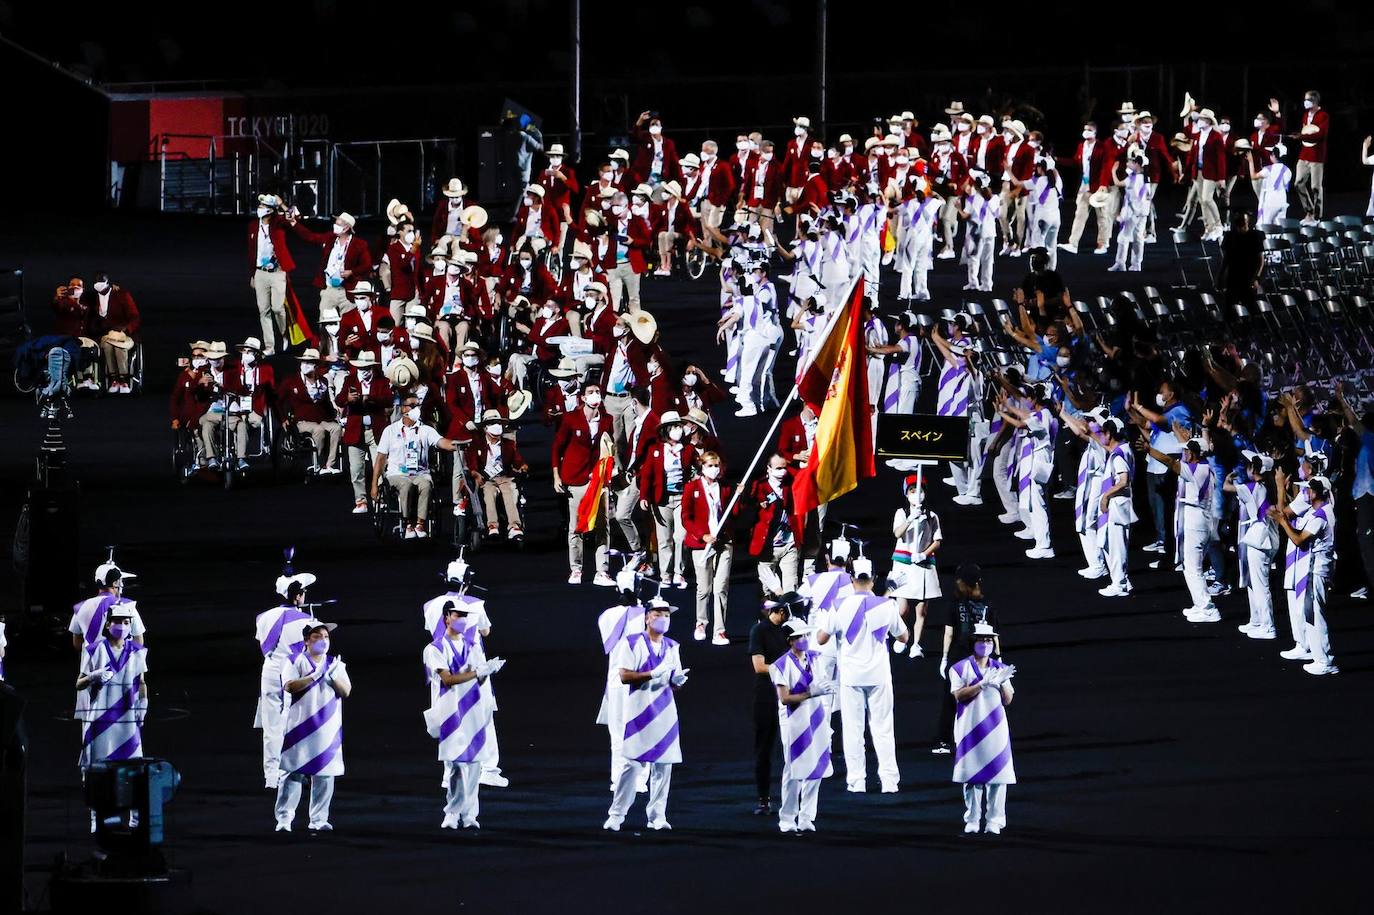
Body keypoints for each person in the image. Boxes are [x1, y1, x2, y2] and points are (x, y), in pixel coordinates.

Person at [816, 559, 906, 793]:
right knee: (883, 729)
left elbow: (821, 639)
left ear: (852, 579)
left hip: (851, 676)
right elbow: (904, 637)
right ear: (874, 579)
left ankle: (856, 781)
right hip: (879, 675)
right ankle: (889, 781)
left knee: (853, 730)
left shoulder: (838, 605)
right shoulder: (886, 605)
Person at [604, 597, 688, 831]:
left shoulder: (673, 646)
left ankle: (657, 816)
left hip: (665, 712)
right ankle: (617, 814)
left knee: (664, 766)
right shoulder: (631, 643)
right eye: (658, 614)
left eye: (667, 615)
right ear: (646, 617)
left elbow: (674, 682)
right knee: (631, 766)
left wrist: (677, 681)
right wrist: (652, 673)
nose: (663, 619)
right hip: (639, 712)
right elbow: (624, 675)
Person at [423, 602, 506, 829]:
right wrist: (476, 672)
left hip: (474, 709)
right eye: (458, 615)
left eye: (465, 616)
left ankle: (470, 815)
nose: (463, 620)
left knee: (475, 766)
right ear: (447, 617)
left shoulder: (472, 645)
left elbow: (478, 678)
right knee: (456, 765)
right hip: (451, 711)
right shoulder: (435, 648)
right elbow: (448, 679)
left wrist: (487, 671)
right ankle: (452, 812)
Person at [274, 620, 351, 832]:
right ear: (307, 640)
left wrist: (334, 677)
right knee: (292, 773)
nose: (323, 641)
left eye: (326, 637)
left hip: (328, 726)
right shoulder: (294, 660)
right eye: (317, 636)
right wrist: (315, 676)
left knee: (325, 775)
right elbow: (289, 686)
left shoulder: (336, 664)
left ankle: (318, 819)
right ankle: (284, 819)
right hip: (300, 726)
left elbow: (346, 691)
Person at [1141, 433, 1218, 621]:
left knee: (1193, 567)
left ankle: (1208, 608)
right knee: (1191, 566)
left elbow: (1169, 461)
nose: (1183, 453)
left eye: (1186, 451)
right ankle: (1199, 604)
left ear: (1193, 454)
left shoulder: (1195, 469)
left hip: (1196, 520)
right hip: (1199, 519)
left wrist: (1150, 450)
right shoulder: (1206, 467)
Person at [949, 622, 1016, 834]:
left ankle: (995, 820)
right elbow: (959, 695)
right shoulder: (959, 668)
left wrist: (1003, 683)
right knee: (971, 776)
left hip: (995, 726)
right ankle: (972, 819)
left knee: (998, 775)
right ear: (973, 642)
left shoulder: (1001, 668)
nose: (985, 644)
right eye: (981, 640)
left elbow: (1008, 700)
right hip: (970, 725)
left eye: (988, 640)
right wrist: (981, 685)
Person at [771, 616, 836, 833]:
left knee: (816, 765)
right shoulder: (780, 665)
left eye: (806, 635)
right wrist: (810, 693)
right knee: (794, 768)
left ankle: (807, 816)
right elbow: (785, 698)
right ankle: (787, 817)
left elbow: (824, 682)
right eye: (800, 637)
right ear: (790, 640)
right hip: (793, 720)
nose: (805, 639)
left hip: (816, 717)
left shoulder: (815, 658)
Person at [254, 565, 316, 789]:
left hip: (269, 670)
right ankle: (294, 770)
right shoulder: (304, 620)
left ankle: (271, 776)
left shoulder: (263, 617)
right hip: (292, 670)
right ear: (298, 596)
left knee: (271, 726)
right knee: (295, 721)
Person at [1271, 472, 1339, 675]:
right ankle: (1319, 656)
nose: (1305, 492)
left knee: (1316, 614)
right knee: (1311, 613)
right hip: (1312, 567)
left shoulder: (1322, 515)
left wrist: (1283, 522)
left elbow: (1299, 539)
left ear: (1318, 492)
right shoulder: (1318, 511)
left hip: (1316, 568)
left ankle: (1325, 660)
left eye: (1308, 489)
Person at [371, 391, 462, 539]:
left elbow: (441, 442)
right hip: (397, 474)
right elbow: (380, 458)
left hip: (420, 473)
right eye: (412, 405)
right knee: (405, 485)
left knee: (426, 484)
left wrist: (456, 444)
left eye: (418, 405)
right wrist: (374, 484)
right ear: (403, 409)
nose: (416, 409)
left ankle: (420, 524)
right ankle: (407, 524)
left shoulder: (425, 430)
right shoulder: (390, 431)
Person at [933, 563, 1001, 755]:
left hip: (959, 656)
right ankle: (985, 737)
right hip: (983, 657)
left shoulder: (955, 604)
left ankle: (944, 741)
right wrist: (998, 655)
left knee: (951, 699)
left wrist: (944, 658)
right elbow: (995, 634)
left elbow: (949, 633)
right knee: (985, 697)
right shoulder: (988, 604)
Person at [553, 379, 615, 586]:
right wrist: (556, 476)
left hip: (598, 481)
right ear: (583, 397)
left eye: (598, 391)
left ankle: (602, 571)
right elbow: (557, 448)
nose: (595, 395)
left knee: (602, 526)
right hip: (576, 479)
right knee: (577, 527)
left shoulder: (607, 420)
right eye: (591, 392)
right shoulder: (571, 419)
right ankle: (576, 569)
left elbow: (609, 449)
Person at [76, 604, 148, 781]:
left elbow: (141, 682)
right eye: (117, 621)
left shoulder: (138, 652)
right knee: (98, 769)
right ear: (107, 624)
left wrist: (143, 706)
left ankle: (134, 808)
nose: (122, 626)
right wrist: (93, 676)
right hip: (100, 717)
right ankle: (95, 807)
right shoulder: (93, 650)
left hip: (127, 718)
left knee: (132, 768)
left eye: (125, 622)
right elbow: (79, 684)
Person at [597, 568, 649, 792]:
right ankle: (637, 780)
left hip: (617, 681)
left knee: (618, 733)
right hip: (636, 680)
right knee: (640, 730)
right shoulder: (643, 614)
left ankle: (618, 778)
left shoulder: (606, 615)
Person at [748, 593, 796, 816]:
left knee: (793, 748)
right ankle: (764, 800)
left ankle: (793, 799)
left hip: (788, 694)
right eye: (782, 611)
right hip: (766, 696)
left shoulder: (788, 631)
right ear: (775, 611)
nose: (785, 614)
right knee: (764, 749)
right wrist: (785, 669)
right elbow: (759, 666)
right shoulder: (759, 631)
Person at [681, 450, 735, 645]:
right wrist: (702, 535)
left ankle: (720, 630)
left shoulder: (726, 487)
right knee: (704, 588)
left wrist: (738, 496)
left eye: (716, 465)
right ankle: (701, 623)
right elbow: (686, 517)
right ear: (702, 467)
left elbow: (734, 514)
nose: (714, 469)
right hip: (701, 546)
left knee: (721, 588)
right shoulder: (691, 488)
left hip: (724, 543)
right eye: (710, 466)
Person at [638, 411, 695, 589]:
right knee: (664, 539)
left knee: (681, 536)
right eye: (674, 427)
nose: (678, 430)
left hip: (681, 498)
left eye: (679, 426)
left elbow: (696, 469)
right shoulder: (655, 450)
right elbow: (647, 475)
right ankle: (666, 574)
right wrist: (644, 497)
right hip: (662, 499)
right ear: (665, 430)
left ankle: (679, 573)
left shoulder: (688, 450)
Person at [888, 474, 942, 659]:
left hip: (923, 564)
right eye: (912, 490)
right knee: (902, 609)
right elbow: (897, 533)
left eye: (919, 490)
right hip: (903, 564)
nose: (916, 494)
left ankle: (916, 645)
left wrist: (923, 554)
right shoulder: (901, 513)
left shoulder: (932, 515)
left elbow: (937, 541)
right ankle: (902, 637)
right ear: (906, 493)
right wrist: (911, 518)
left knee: (922, 610)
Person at [1229, 450, 1279, 640]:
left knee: (1260, 584)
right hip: (1265, 537)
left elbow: (1226, 487)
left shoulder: (1253, 487)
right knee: (1254, 582)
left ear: (1255, 469)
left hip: (1260, 539)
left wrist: (1229, 478)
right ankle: (1256, 619)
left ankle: (1268, 626)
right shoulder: (1270, 486)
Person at [289, 211, 372, 321]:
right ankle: (325, 338)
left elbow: (367, 265)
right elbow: (311, 237)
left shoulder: (359, 244)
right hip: (329, 289)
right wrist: (295, 224)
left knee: (348, 322)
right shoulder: (330, 238)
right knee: (325, 321)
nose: (335, 226)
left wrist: (351, 272)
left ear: (347, 228)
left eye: (338, 224)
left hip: (346, 290)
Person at [337, 351, 393, 514]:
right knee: (356, 469)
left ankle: (380, 498)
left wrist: (371, 398)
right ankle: (360, 501)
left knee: (380, 467)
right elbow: (339, 400)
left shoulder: (382, 381)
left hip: (375, 431)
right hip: (356, 430)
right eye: (362, 367)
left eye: (367, 367)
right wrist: (348, 399)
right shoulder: (350, 380)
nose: (364, 371)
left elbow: (388, 400)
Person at [748, 454, 806, 599]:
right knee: (766, 589)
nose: (782, 472)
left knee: (790, 587)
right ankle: (766, 618)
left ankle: (790, 617)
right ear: (769, 469)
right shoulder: (759, 486)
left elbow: (801, 478)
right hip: (767, 545)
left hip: (789, 543)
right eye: (778, 468)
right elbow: (749, 508)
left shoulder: (790, 483)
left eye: (784, 468)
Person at [275, 348, 342, 474]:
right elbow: (278, 400)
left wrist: (335, 414)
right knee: (319, 430)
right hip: (301, 421)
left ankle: (329, 464)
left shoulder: (323, 381)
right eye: (304, 362)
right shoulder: (291, 381)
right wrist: (283, 419)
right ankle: (318, 464)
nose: (305, 365)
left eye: (309, 362)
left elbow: (327, 403)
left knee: (336, 428)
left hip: (320, 419)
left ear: (316, 365)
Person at [467, 409, 528, 539]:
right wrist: (475, 474)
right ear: (485, 428)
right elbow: (472, 464)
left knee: (510, 492)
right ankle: (492, 525)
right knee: (489, 493)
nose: (497, 426)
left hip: (504, 477)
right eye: (493, 423)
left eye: (498, 423)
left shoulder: (508, 444)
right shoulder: (477, 444)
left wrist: (523, 465)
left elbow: (517, 460)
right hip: (486, 479)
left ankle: (514, 526)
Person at [248, 194, 295, 353]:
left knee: (277, 308)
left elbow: (295, 218)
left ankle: (284, 334)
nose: (259, 208)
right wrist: (252, 274)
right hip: (260, 272)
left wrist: (282, 204)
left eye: (263, 206)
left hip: (277, 272)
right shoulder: (253, 226)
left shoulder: (279, 223)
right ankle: (270, 346)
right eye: (259, 205)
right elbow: (251, 251)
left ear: (270, 210)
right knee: (264, 310)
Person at [69, 555, 145, 651]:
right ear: (115, 583)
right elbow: (139, 641)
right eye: (120, 581)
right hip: (121, 665)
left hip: (91, 665)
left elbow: (77, 644)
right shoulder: (128, 606)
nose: (122, 584)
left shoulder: (80, 608)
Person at [1293, 90, 1329, 225]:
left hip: (1317, 156)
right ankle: (1309, 210)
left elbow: (1320, 135)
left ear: (1314, 101)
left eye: (1307, 99)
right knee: (1298, 183)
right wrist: (1300, 136)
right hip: (1304, 154)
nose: (1305, 102)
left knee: (1315, 186)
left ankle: (1316, 216)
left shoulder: (1323, 116)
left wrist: (1301, 136)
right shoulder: (1305, 115)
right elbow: (1305, 131)